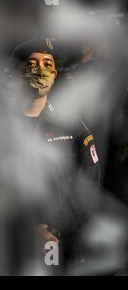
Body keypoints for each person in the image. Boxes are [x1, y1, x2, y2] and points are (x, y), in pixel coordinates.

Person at [11, 37, 101, 267]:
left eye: (48, 65)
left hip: (66, 244)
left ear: (56, 74)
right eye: (32, 65)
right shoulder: (1, 129)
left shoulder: (72, 126)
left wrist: (57, 224)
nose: (41, 71)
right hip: (12, 242)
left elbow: (89, 180)